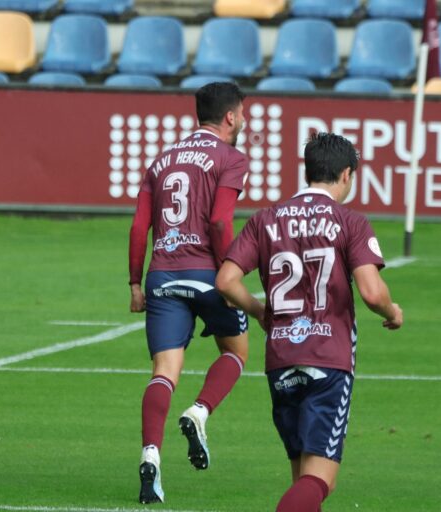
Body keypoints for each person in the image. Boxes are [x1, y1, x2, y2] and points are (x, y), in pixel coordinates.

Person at [215, 132, 403, 512]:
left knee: (302, 477)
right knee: (320, 480)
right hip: (327, 359)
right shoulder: (349, 221)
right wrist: (393, 311)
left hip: (281, 358)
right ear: (347, 174)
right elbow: (371, 292)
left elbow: (225, 282)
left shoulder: (265, 219)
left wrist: (258, 310)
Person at [128, 81, 251, 504]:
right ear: (231, 116)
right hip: (207, 272)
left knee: (163, 371)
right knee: (235, 352)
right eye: (242, 114)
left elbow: (138, 227)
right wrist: (228, 273)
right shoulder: (231, 157)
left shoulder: (162, 159)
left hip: (162, 275)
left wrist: (133, 282)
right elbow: (220, 221)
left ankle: (151, 457)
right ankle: (199, 411)